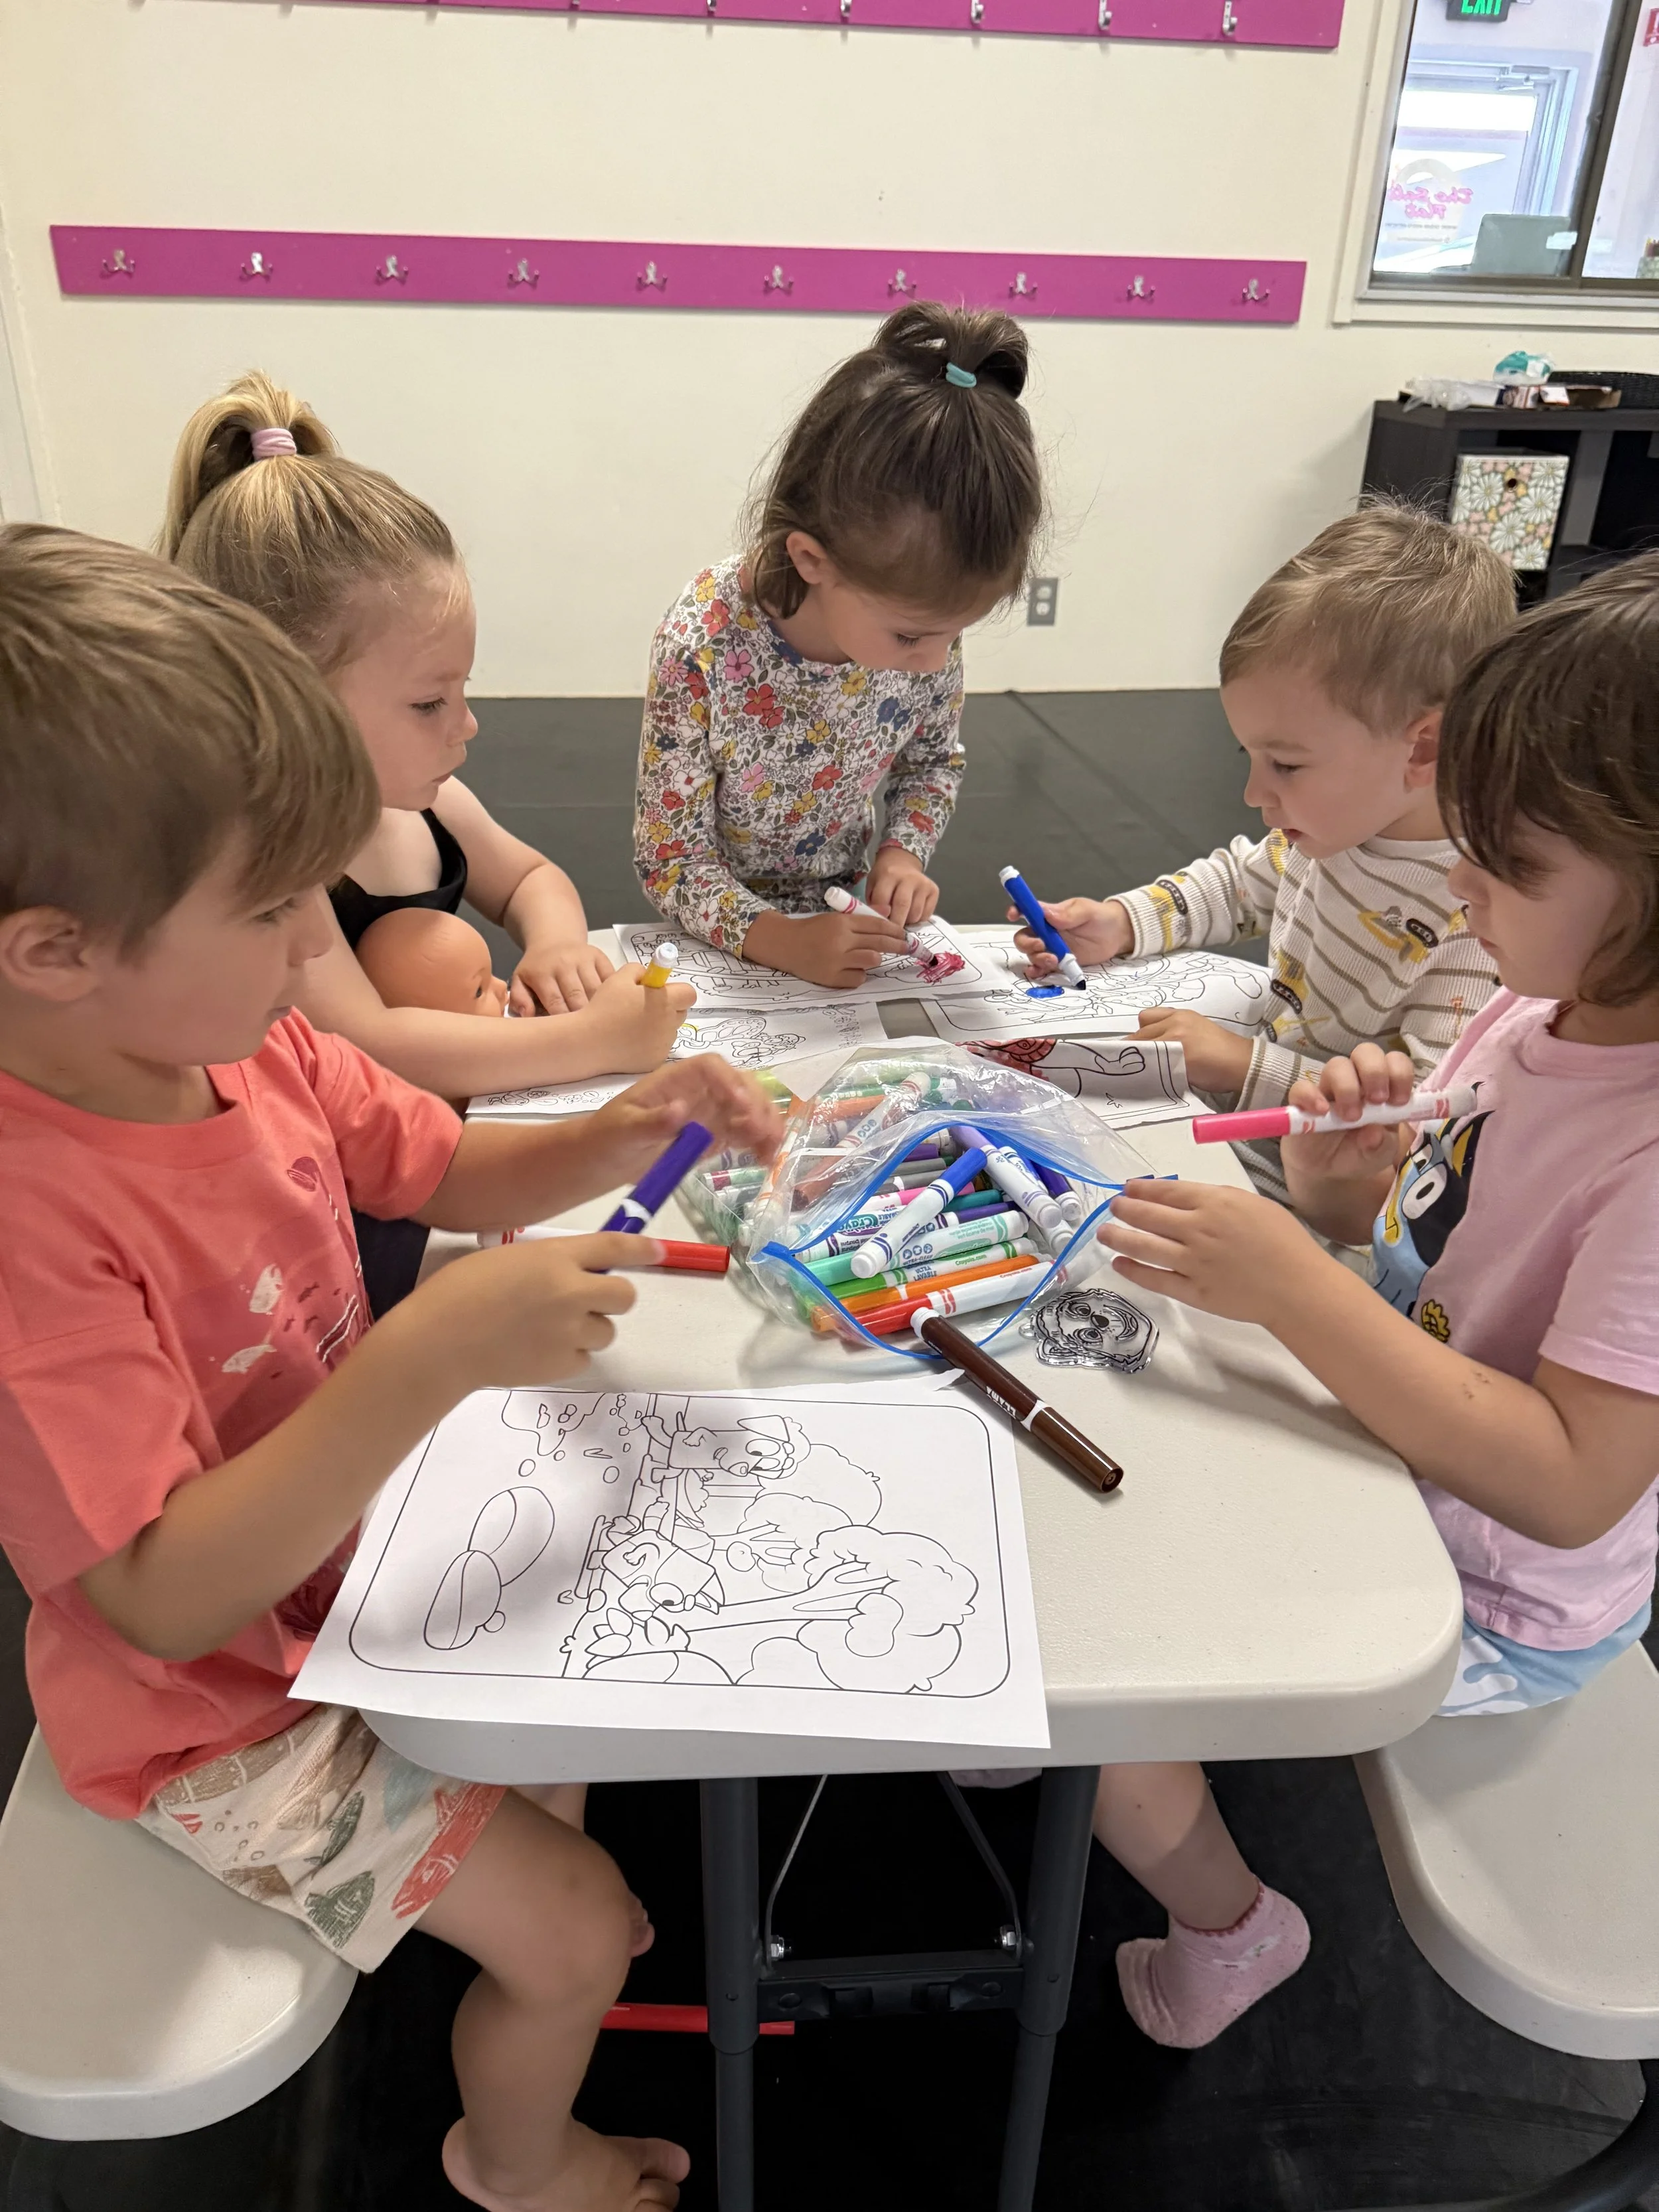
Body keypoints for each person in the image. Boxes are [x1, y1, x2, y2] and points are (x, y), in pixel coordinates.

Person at [0, 524, 780, 2207]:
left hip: (366, 1571)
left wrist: (628, 1126)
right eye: (273, 905)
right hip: (209, 1715)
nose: (313, 952)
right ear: (54, 950)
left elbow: (433, 1163)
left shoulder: (242, 1033)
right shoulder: (31, 1222)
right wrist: (424, 1356)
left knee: (587, 1727)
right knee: (588, 1928)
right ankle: (516, 2163)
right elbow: (151, 1595)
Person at [1088, 558, 1659, 2047]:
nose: (1455, 888)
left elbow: (1571, 1484)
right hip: (1393, 1444)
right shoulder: (1530, 1002)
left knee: (1097, 1695)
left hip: (1493, 1594)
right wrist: (1342, 1197)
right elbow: (1417, 1242)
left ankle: (1234, 1928)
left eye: (1499, 866)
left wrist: (1292, 1282)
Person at [163, 371, 693, 1311]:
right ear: (287, 693)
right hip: (372, 1211)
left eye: (464, 691)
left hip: (459, 1154)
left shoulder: (424, 798)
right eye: (428, 702)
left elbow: (531, 874)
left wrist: (559, 942)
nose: (468, 725)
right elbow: (374, 1043)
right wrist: (589, 1038)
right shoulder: (274, 875)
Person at [1015, 506, 1514, 1202]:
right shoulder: (1335, 830)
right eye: (1248, 755)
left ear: (1422, 748)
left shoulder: (1481, 924)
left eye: (1285, 764)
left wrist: (1245, 1066)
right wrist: (1122, 922)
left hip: (1327, 1195)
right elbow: (1237, 885)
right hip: (1242, 1121)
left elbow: (1417, 1124)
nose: (1253, 793)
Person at [634, 303, 1045, 988]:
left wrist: (902, 855)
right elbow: (671, 861)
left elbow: (932, 761)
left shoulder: (921, 629)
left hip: (848, 923)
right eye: (913, 636)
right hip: (721, 941)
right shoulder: (700, 643)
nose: (935, 661)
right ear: (811, 560)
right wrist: (781, 940)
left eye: (955, 635)